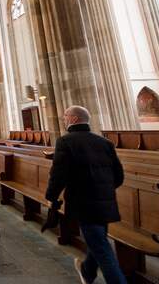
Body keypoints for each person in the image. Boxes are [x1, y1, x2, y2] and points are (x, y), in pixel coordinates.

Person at [45, 106, 126, 284]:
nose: (63, 119)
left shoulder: (65, 142)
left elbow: (58, 174)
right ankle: (87, 271)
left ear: (74, 119)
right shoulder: (105, 143)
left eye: (65, 116)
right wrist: (103, 190)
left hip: (83, 203)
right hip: (105, 203)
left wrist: (51, 196)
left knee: (102, 249)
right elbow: (119, 176)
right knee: (98, 240)